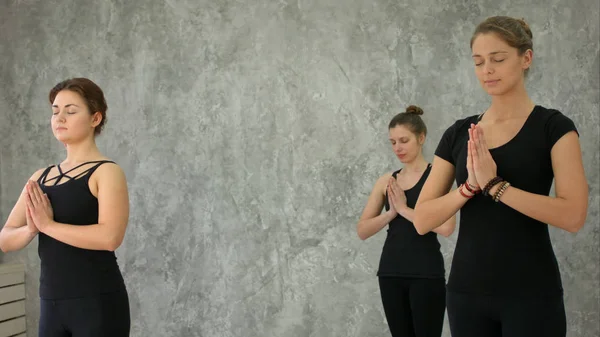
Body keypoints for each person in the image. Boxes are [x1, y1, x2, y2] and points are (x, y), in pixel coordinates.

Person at [414, 16, 589, 337]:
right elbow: (423, 220)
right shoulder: (458, 133)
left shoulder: (554, 127)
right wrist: (469, 187)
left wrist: (496, 186)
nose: (487, 70)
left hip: (532, 295)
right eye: (478, 62)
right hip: (466, 295)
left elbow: (573, 215)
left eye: (497, 59)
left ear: (526, 58)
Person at [0, 78, 131, 337]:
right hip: (51, 304)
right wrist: (31, 229)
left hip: (97, 303)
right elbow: (5, 239)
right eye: (55, 111)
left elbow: (110, 237)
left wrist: (48, 225)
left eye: (71, 111)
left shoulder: (106, 172)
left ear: (95, 118)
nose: (60, 117)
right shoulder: (40, 177)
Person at [357, 105, 455, 337]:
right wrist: (391, 214)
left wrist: (404, 209)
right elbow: (362, 230)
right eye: (393, 142)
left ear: (421, 138)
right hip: (391, 272)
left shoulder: (437, 177)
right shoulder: (386, 181)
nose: (398, 148)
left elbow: (447, 227)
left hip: (426, 273)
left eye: (404, 140)